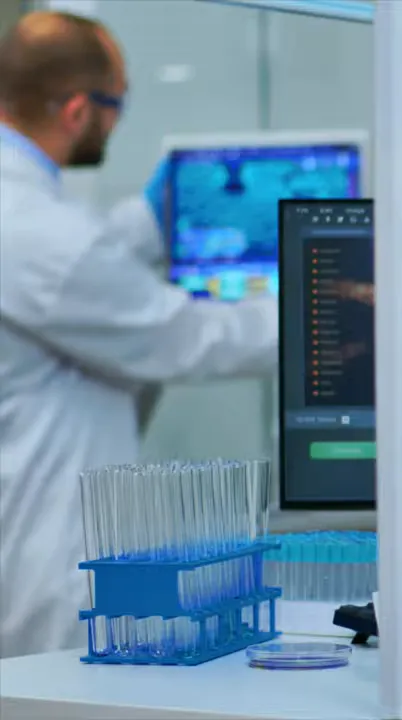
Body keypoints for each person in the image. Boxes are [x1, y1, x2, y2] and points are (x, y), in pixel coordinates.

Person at [0, 11, 278, 659]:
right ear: (76, 109)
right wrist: (335, 321)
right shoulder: (40, 235)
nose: (117, 121)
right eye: (116, 104)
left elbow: (83, 277)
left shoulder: (32, 220)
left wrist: (152, 219)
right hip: (47, 555)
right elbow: (185, 338)